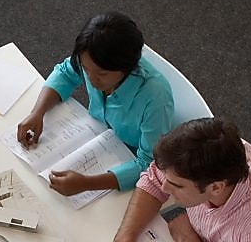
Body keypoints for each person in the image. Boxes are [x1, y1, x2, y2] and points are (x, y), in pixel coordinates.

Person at [16, 11, 176, 196]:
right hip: (98, 135)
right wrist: (38, 112)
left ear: (127, 66)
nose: (91, 79)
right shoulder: (92, 59)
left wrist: (87, 184)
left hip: (128, 158)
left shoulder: (156, 97)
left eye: (101, 74)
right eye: (86, 69)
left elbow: (149, 163)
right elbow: (66, 72)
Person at [113, 117, 251, 242]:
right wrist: (125, 237)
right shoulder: (209, 157)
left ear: (216, 187)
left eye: (176, 185)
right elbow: (153, 180)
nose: (164, 187)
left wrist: (188, 239)